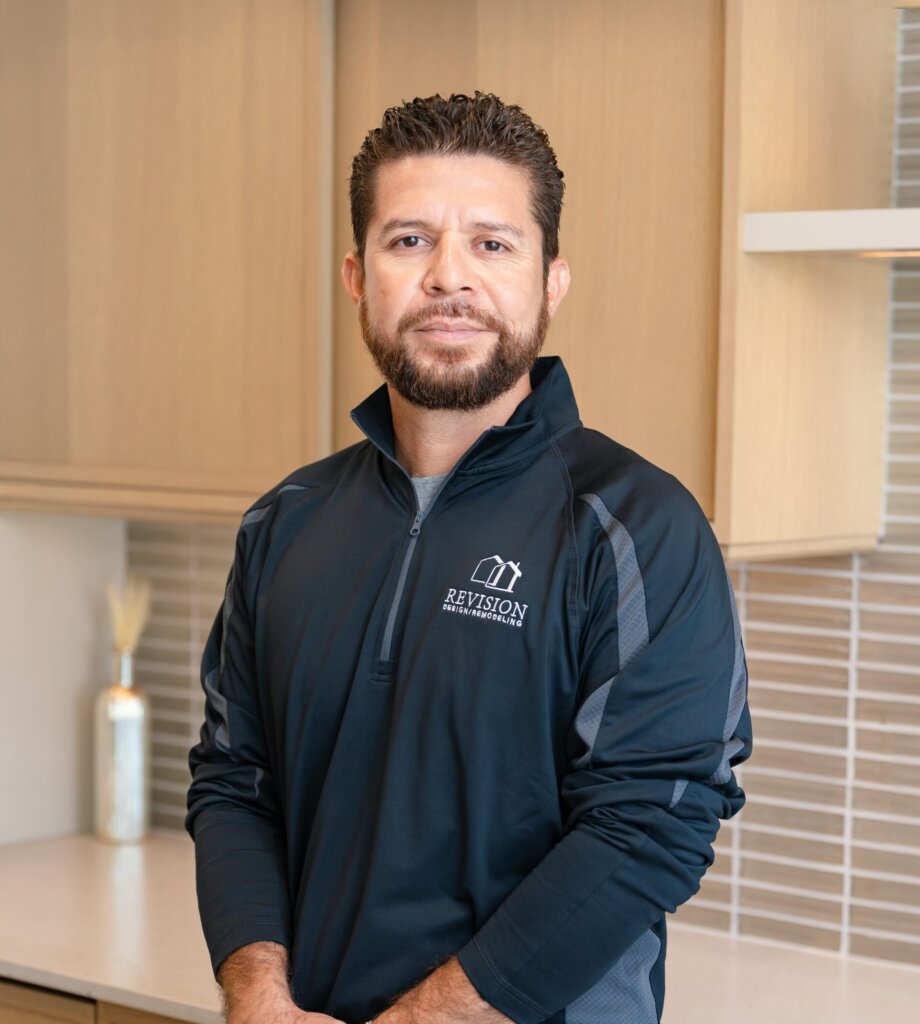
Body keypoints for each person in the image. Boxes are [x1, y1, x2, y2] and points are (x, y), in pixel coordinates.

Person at [185, 91, 752, 1024]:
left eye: (493, 244)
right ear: (356, 276)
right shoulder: (285, 522)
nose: (450, 278)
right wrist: (257, 994)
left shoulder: (637, 526)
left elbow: (650, 826)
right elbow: (233, 779)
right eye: (409, 241)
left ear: (551, 280)